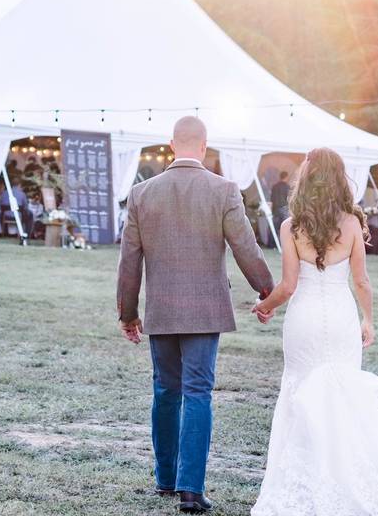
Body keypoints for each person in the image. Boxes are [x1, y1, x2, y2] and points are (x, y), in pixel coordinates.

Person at [251, 148, 378, 516]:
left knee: (299, 392)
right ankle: (348, 480)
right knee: (343, 396)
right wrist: (368, 320)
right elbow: (361, 281)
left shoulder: (291, 226)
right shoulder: (351, 223)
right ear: (339, 179)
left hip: (302, 319)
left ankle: (302, 486)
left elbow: (287, 286)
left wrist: (264, 307)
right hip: (340, 318)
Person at [117, 116, 274, 514]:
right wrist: (266, 288)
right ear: (204, 146)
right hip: (206, 310)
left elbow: (129, 261)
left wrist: (128, 312)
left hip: (162, 309)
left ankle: (165, 478)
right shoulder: (223, 190)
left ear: (172, 145)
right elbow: (245, 247)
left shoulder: (141, 193)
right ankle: (191, 489)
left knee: (165, 391)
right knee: (198, 392)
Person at [270, 171, 290, 238]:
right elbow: (288, 198)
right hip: (284, 208)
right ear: (286, 177)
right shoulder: (287, 186)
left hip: (275, 209)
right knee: (285, 227)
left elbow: (272, 199)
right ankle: (283, 243)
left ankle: (271, 244)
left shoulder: (274, 186)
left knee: (274, 228)